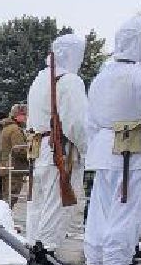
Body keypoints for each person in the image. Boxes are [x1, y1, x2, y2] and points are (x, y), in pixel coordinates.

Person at [82, 15, 141, 265]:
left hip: (105, 149)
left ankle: (95, 263)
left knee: (101, 208)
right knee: (128, 208)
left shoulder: (100, 78)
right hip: (134, 150)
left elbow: (91, 120)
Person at [24, 33, 92, 246]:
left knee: (39, 202)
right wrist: (87, 149)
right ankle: (46, 251)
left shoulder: (39, 79)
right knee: (58, 204)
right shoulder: (70, 81)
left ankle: (33, 245)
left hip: (41, 146)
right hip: (60, 149)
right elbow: (77, 124)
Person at [0, 104, 32, 202]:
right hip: (15, 168)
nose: (26, 117)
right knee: (10, 199)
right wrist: (31, 155)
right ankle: (3, 217)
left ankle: (3, 216)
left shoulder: (7, 127)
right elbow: (19, 150)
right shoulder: (15, 129)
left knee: (6, 198)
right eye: (24, 114)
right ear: (17, 115)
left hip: (7, 167)